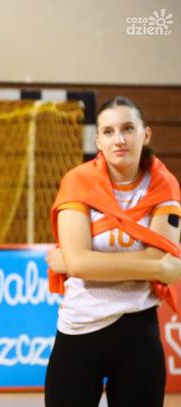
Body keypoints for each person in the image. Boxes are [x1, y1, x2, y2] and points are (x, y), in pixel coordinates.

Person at [45, 96, 181, 407]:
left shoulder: (165, 185)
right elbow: (79, 263)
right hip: (79, 331)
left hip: (138, 332)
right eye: (108, 132)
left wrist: (83, 261)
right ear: (98, 141)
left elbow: (157, 257)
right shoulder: (78, 181)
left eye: (128, 129)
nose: (119, 139)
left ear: (146, 134)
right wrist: (155, 268)